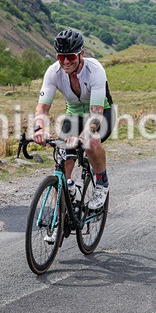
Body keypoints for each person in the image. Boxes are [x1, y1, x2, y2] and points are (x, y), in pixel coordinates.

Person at [33, 29, 113, 220]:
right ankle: (59, 215)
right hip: (74, 115)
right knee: (62, 163)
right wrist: (39, 128)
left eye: (70, 56)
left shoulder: (95, 71)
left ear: (81, 54)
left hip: (101, 113)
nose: (66, 62)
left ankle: (101, 183)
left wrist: (82, 136)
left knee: (91, 142)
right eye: (61, 57)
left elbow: (96, 114)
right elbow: (42, 109)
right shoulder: (53, 72)